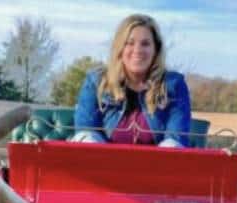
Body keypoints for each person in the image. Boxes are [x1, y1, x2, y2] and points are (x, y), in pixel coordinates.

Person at [73, 14, 192, 147]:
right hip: (102, 164)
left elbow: (176, 139)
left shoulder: (174, 84)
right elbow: (85, 132)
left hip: (156, 165)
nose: (137, 50)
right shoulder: (95, 81)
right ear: (120, 48)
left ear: (156, 50)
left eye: (145, 44)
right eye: (129, 43)